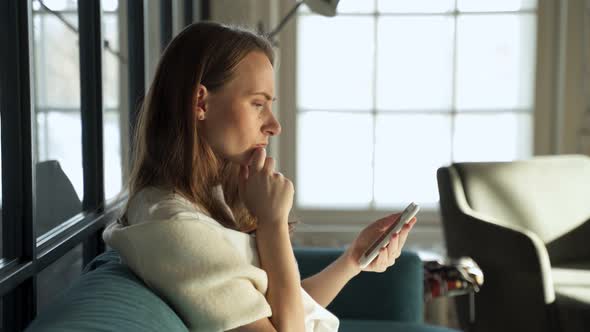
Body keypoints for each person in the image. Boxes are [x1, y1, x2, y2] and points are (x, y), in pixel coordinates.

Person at [103, 21, 417, 332]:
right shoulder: (175, 227)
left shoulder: (202, 201)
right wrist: (272, 224)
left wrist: (352, 260)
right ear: (200, 102)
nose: (274, 125)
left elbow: (279, 309)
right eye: (258, 104)